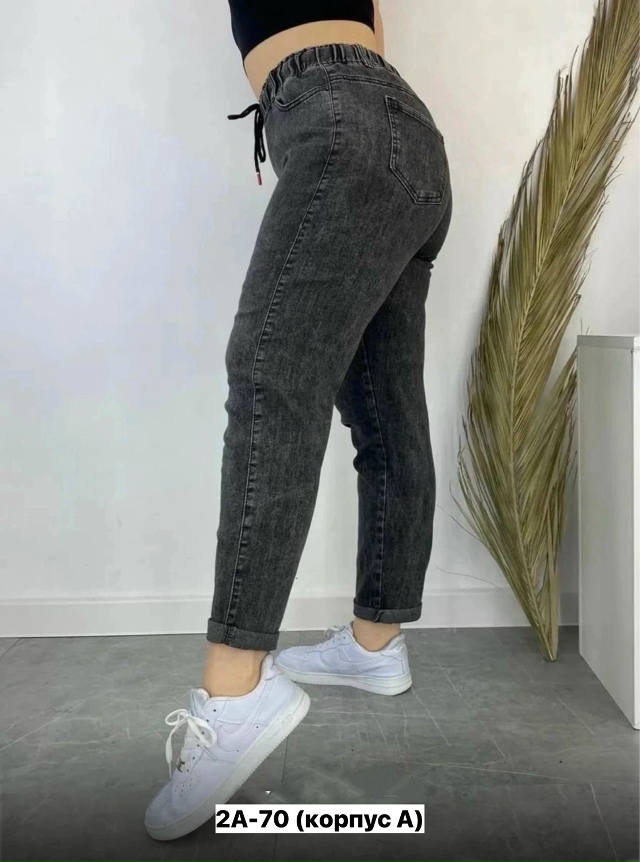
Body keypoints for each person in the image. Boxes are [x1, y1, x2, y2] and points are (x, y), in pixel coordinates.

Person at [145, 0, 452, 841]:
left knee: (270, 376)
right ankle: (375, 645)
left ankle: (236, 690)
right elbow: (371, 32)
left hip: (336, 116)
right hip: (407, 132)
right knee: (384, 411)